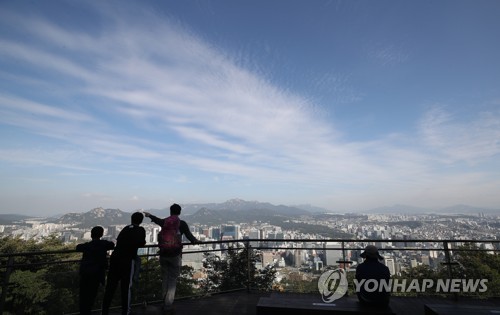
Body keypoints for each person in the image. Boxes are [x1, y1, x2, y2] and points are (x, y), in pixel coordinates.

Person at [144, 204, 200, 315]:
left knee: (165, 278)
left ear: (170, 211)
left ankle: (163, 301)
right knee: (172, 280)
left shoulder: (165, 221)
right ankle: (168, 305)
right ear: (179, 212)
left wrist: (149, 215)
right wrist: (196, 241)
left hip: (164, 253)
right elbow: (189, 236)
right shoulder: (181, 223)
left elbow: (157, 220)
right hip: (175, 255)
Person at [102, 212, 146, 315]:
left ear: (131, 219)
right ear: (141, 221)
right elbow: (141, 242)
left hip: (115, 259)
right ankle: (125, 311)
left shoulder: (126, 228)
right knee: (126, 288)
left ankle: (104, 311)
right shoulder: (141, 230)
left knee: (110, 287)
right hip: (127, 260)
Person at [76, 226, 115, 315]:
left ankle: (83, 312)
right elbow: (112, 245)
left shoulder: (87, 246)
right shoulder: (104, 244)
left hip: (85, 273)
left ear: (91, 235)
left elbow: (77, 247)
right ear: (101, 234)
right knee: (92, 295)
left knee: (83, 295)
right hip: (97, 274)